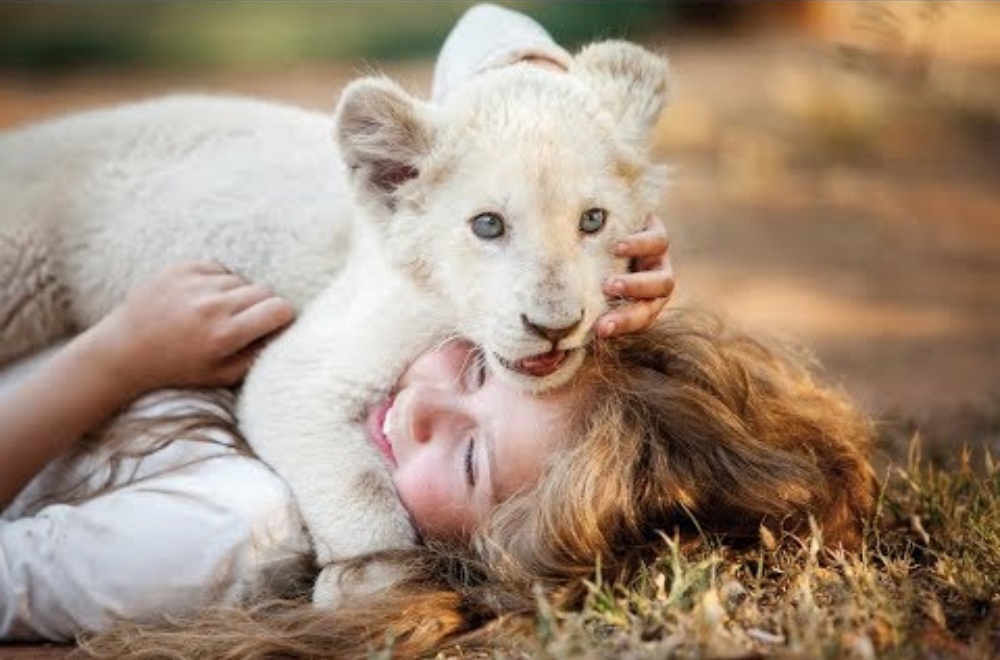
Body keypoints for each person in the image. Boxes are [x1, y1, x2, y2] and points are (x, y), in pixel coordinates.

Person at [79, 311, 877, 660]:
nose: (420, 406)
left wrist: (115, 359)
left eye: (470, 462)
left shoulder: (235, 528)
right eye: (473, 363)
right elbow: (488, 37)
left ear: (487, 564)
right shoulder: (348, 348)